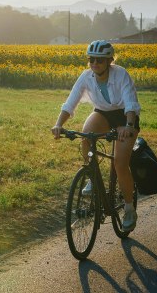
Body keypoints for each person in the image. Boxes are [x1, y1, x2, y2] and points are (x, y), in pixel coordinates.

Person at [51, 40, 141, 232]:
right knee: (86, 135)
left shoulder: (121, 74)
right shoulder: (86, 76)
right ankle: (92, 177)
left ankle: (129, 208)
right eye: (91, 59)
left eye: (99, 60)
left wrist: (129, 125)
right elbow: (70, 103)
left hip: (125, 115)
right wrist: (59, 124)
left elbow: (130, 102)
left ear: (109, 60)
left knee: (119, 163)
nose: (95, 63)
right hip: (103, 113)